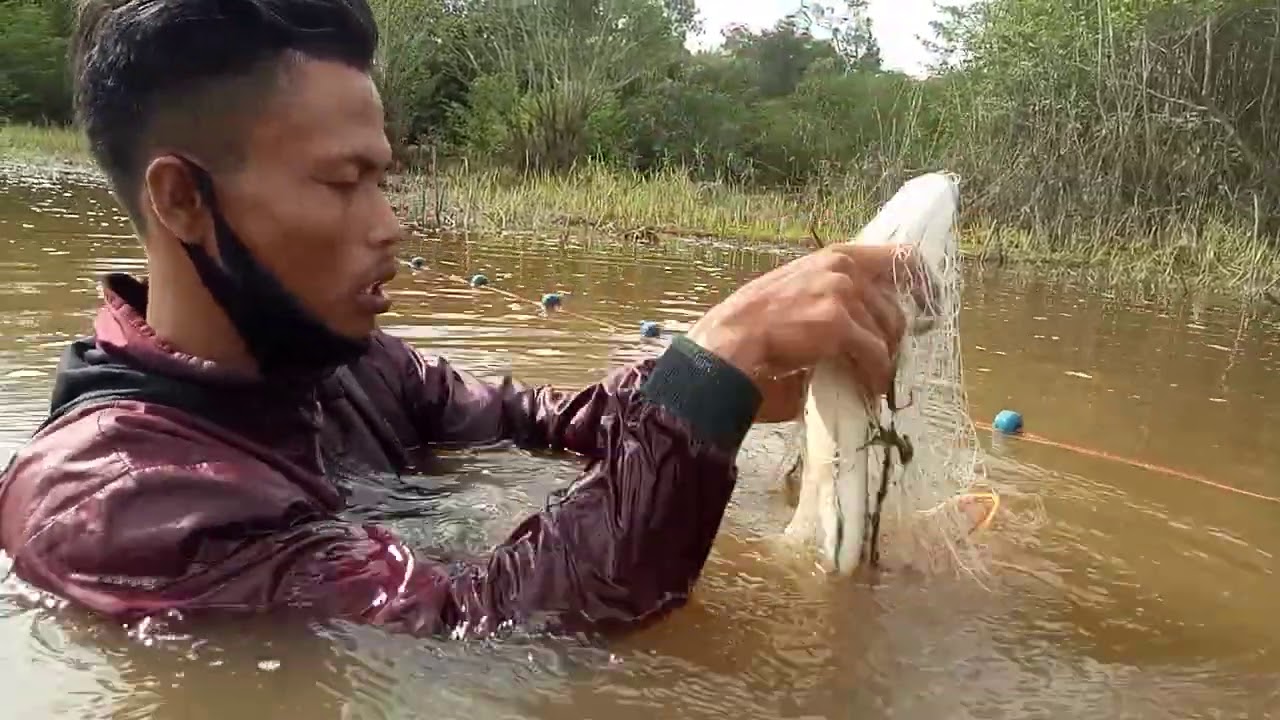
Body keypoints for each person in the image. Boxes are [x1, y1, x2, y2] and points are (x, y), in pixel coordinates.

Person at [0, 0, 920, 639]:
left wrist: (724, 381)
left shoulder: (346, 365)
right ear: (183, 200)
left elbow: (548, 424)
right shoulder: (111, 504)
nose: (388, 225)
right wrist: (714, 368)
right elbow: (478, 631)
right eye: (341, 181)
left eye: (383, 177)